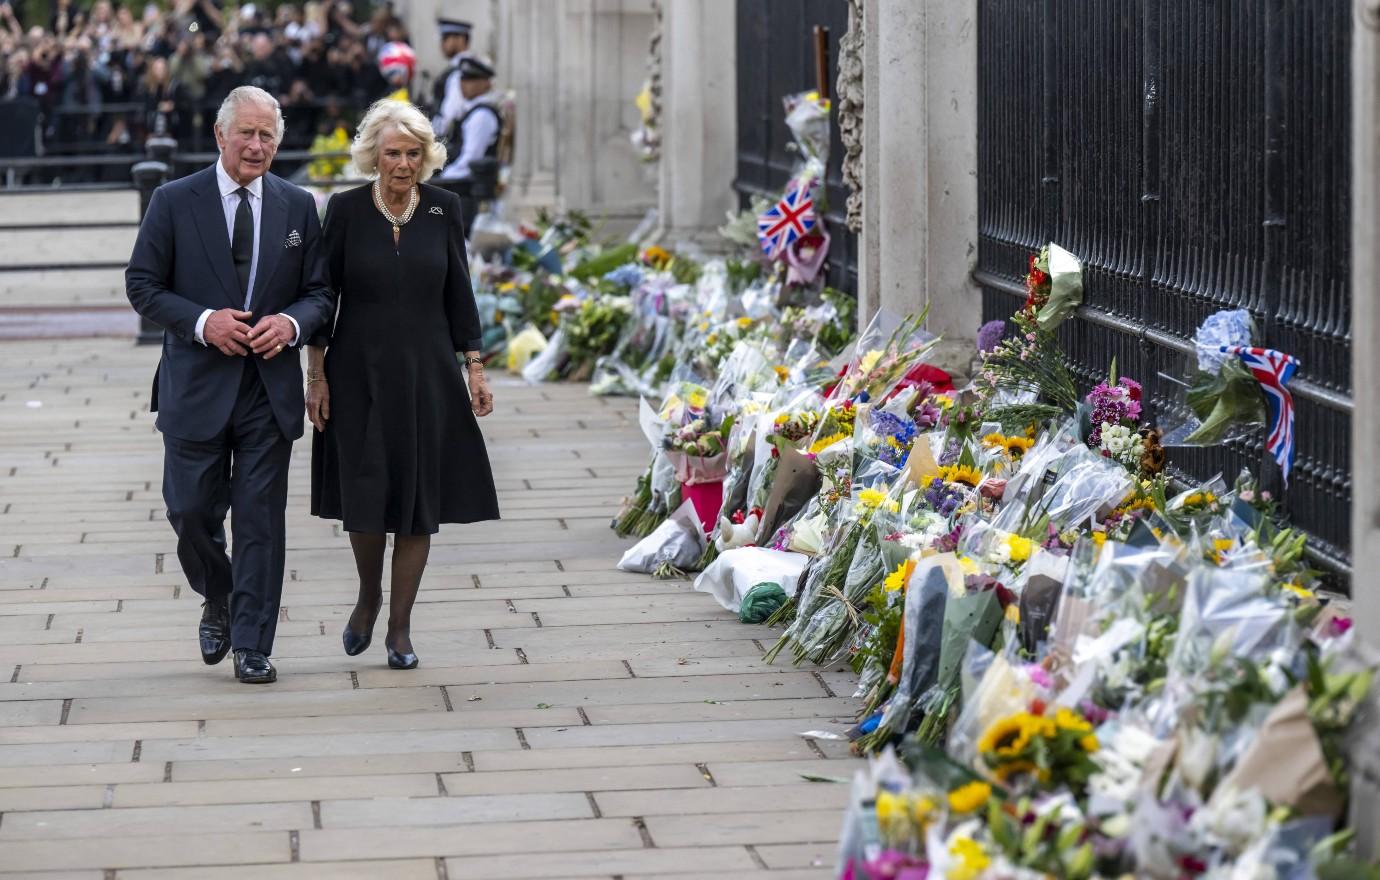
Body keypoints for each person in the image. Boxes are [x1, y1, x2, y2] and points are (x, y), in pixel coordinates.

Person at [125, 85, 336, 684]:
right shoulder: (173, 200)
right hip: (195, 383)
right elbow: (142, 283)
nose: (257, 144)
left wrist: (291, 323)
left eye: (268, 134)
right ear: (220, 135)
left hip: (268, 388)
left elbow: (321, 293)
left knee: (260, 521)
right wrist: (201, 322)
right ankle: (217, 594)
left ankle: (252, 642)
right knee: (190, 511)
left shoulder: (298, 205)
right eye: (246, 132)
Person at [305, 99, 498, 670]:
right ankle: (368, 596)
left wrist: (475, 366)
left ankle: (400, 628)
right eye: (393, 153)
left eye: (414, 153)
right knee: (365, 499)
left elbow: (459, 292)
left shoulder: (444, 209)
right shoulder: (343, 211)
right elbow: (322, 299)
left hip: (427, 375)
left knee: (417, 501)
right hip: (356, 373)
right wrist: (315, 376)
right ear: (374, 155)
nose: (404, 164)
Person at [435, 55, 500, 232]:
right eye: (463, 79)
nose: (465, 84)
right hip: (461, 188)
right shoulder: (469, 111)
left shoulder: (482, 116)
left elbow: (471, 160)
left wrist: (440, 180)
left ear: (486, 83)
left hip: (468, 191)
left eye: (471, 79)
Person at [428, 17, 468, 137]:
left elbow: (450, 113)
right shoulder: (456, 68)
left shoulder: (461, 71)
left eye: (445, 38)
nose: (442, 44)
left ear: (460, 40)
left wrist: (433, 135)